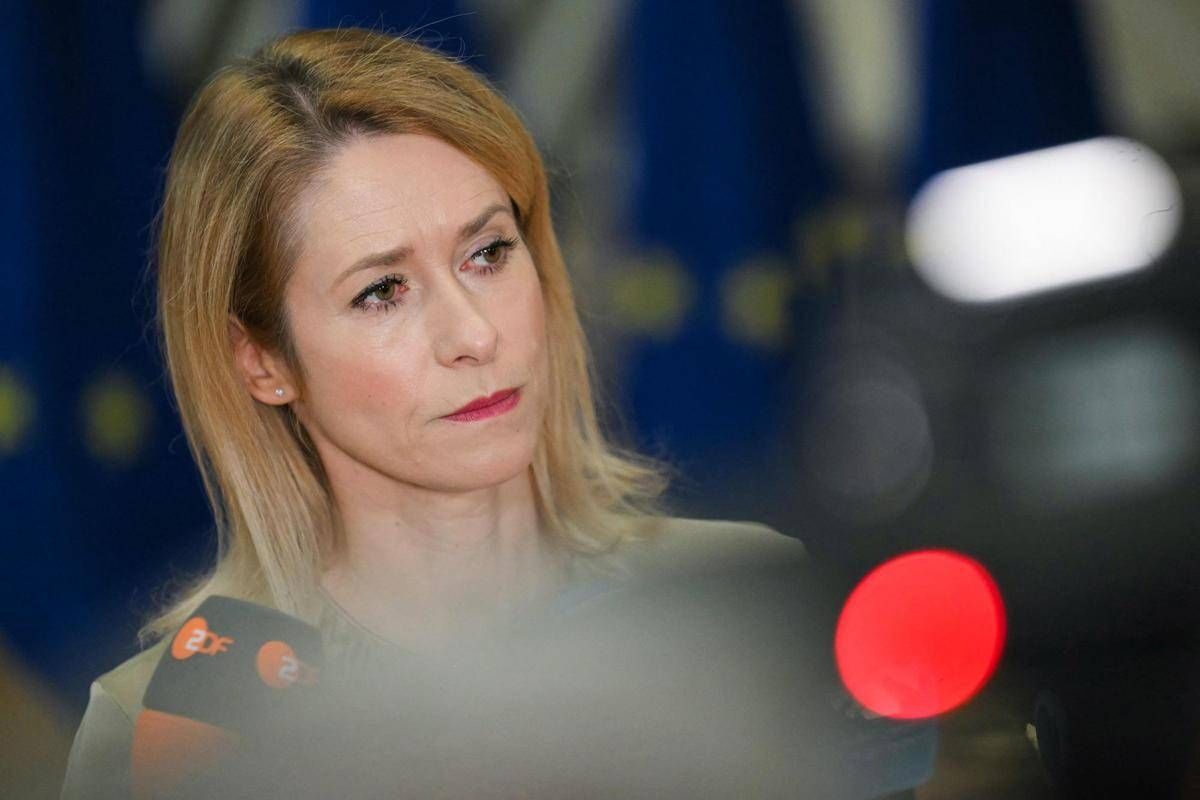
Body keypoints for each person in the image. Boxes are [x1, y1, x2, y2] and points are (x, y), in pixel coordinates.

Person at [60, 26, 807, 800]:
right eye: (382, 292)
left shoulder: (753, 598)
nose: (474, 335)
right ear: (262, 362)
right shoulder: (169, 732)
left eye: (487, 253)